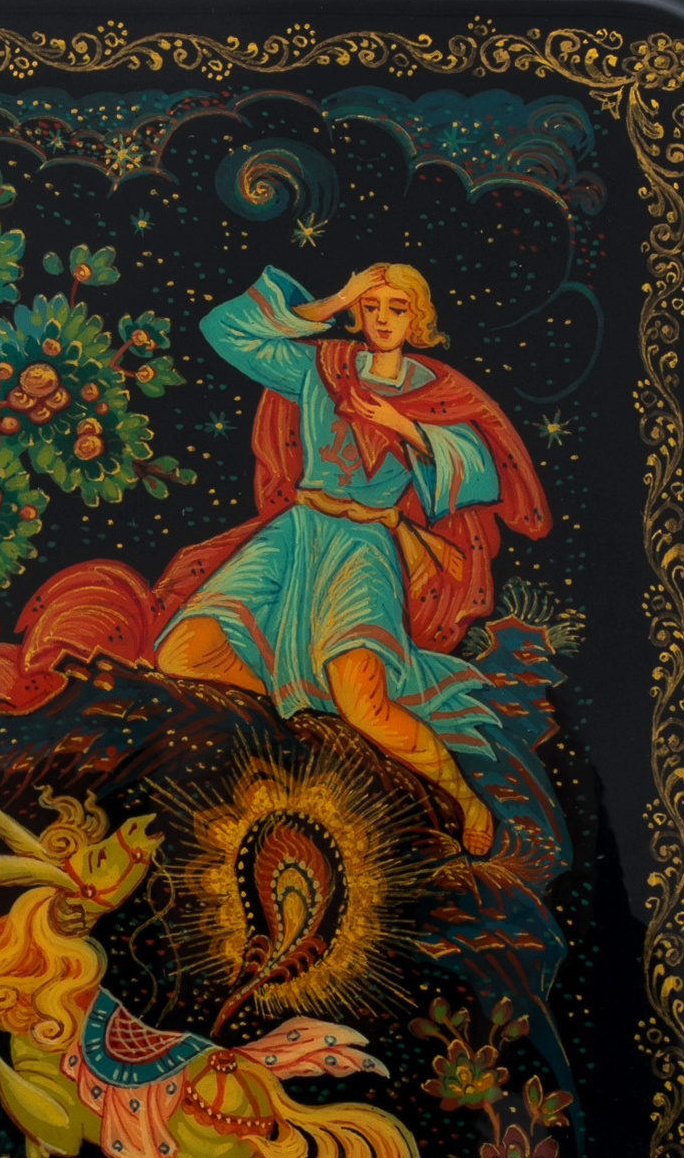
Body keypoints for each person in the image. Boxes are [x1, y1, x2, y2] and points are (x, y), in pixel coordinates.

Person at [154, 264, 551, 855]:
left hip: (363, 546)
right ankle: (298, 716)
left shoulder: (435, 390)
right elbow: (224, 329)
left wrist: (402, 425)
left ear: (418, 319)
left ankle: (464, 798)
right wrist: (334, 297)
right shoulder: (323, 367)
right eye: (371, 306)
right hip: (297, 534)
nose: (382, 319)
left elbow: (480, 471)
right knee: (182, 652)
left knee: (363, 704)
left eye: (397, 308)